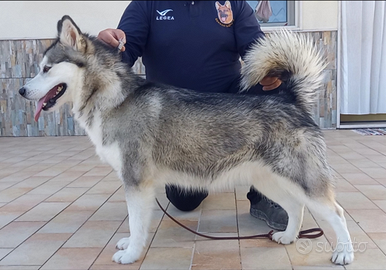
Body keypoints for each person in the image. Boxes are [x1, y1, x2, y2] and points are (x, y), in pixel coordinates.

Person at [98, 0, 288, 230]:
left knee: (275, 89)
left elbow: (256, 49)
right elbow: (123, 53)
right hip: (176, 123)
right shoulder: (146, 4)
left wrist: (270, 69)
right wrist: (107, 49)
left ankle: (264, 194)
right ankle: (208, 172)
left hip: (227, 111)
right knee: (184, 201)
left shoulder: (233, 4)